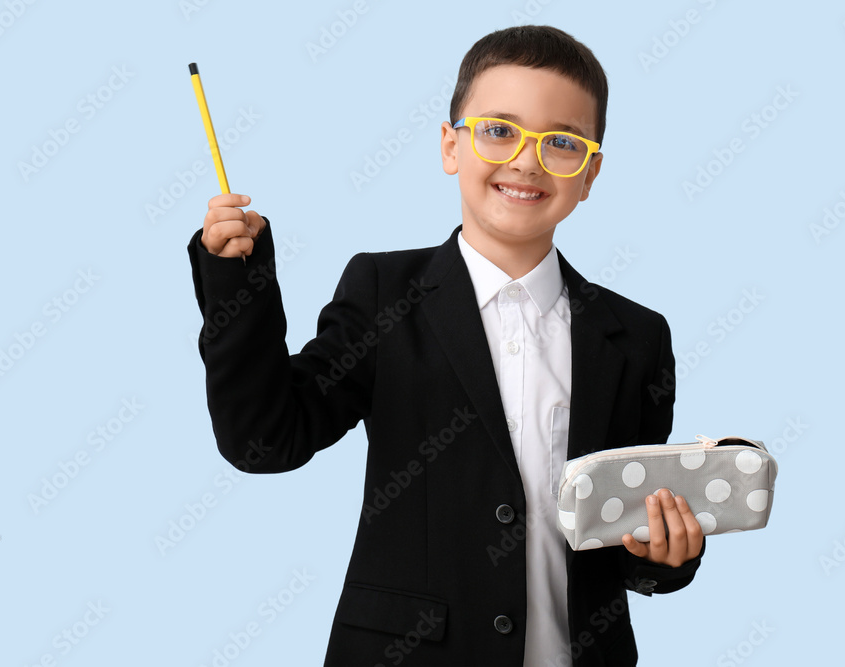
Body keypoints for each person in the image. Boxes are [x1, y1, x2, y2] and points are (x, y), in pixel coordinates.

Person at [187, 25, 704, 666]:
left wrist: (666, 557)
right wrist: (238, 284)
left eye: (562, 143)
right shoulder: (383, 292)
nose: (525, 160)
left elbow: (630, 545)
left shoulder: (637, 337)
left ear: (590, 174)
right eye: (498, 129)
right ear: (449, 146)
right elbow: (265, 439)